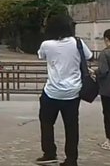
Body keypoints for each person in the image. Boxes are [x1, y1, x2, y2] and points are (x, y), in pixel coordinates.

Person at [35, 13, 92, 166]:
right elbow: (89, 56)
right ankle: (71, 159)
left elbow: (41, 56)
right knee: (72, 127)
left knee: (46, 122)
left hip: (52, 91)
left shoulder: (46, 45)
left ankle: (49, 153)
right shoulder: (78, 43)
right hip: (73, 93)